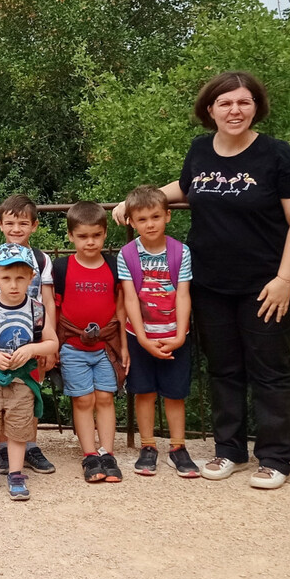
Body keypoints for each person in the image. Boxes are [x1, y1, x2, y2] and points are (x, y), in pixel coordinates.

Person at [114, 72, 290, 491]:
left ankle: (275, 458)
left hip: (266, 285)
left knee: (268, 370)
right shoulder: (200, 150)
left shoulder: (279, 157)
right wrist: (134, 204)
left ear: (256, 106)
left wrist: (285, 279)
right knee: (223, 369)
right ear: (210, 110)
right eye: (225, 104)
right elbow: (186, 188)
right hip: (211, 282)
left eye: (243, 102)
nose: (234, 110)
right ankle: (230, 450)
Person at [115, 188, 200, 479]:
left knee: (176, 394)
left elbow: (184, 295)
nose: (150, 224)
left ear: (167, 216)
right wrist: (141, 338)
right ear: (132, 222)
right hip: (141, 337)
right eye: (142, 219)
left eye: (155, 217)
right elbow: (129, 299)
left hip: (174, 335)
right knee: (144, 392)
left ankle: (178, 448)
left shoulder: (181, 252)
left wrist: (179, 335)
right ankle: (148, 446)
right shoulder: (127, 254)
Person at [0, 195, 59, 477]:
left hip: (32, 335)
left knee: (28, 392)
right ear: (0, 225)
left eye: (23, 223)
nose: (16, 229)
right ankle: (1, 448)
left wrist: (47, 346)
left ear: (34, 225)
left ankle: (29, 446)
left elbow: (48, 301)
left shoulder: (40, 259)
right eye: (10, 223)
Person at [0, 244, 57, 500]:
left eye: (20, 278)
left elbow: (52, 342)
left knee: (18, 430)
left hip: (22, 380)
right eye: (6, 278)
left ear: (31, 277)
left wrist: (31, 350)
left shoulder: (36, 309)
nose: (14, 285)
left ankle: (16, 473)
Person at [52, 202, 131, 483]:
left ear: (105, 233)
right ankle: (89, 455)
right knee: (83, 399)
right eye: (83, 236)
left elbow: (120, 309)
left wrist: (123, 345)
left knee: (105, 397)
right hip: (73, 345)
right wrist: (53, 346)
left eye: (96, 235)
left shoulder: (112, 265)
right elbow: (55, 310)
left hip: (106, 346)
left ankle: (107, 453)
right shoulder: (61, 268)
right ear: (71, 236)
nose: (90, 242)